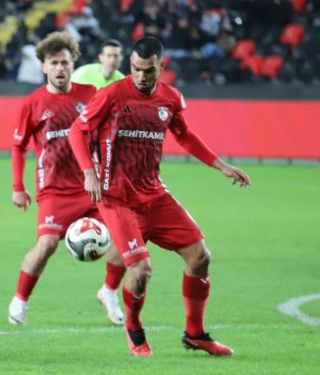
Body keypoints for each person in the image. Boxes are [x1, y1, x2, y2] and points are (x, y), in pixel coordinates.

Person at [67, 36, 251, 357]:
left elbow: (184, 135)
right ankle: (134, 329)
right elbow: (76, 131)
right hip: (116, 198)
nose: (140, 76)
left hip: (154, 194)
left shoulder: (171, 98)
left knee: (201, 258)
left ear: (161, 66)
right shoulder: (111, 95)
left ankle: (195, 334)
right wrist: (88, 172)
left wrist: (221, 165)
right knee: (141, 270)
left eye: (148, 70)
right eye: (135, 69)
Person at [8, 31, 126, 327]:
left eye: (65, 62)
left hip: (91, 187)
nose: (60, 68)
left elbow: (107, 133)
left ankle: (109, 291)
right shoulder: (32, 102)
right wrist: (18, 187)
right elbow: (19, 146)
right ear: (44, 67)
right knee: (47, 244)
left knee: (126, 236)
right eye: (54, 63)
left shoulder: (90, 94)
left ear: (73, 64)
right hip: (54, 190)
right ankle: (20, 300)